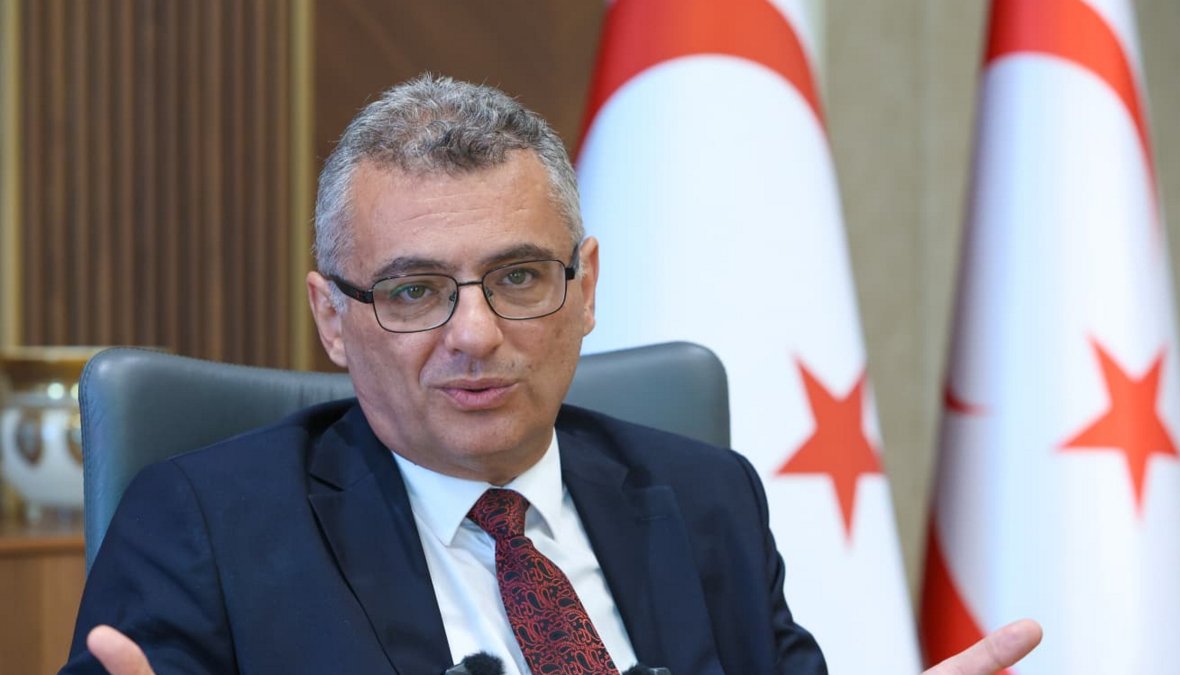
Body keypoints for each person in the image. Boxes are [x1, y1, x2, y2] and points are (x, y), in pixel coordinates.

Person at [62, 74, 1040, 674]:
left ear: (586, 288)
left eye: (519, 276)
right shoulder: (204, 524)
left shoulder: (707, 501)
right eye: (413, 292)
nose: (476, 334)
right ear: (333, 316)